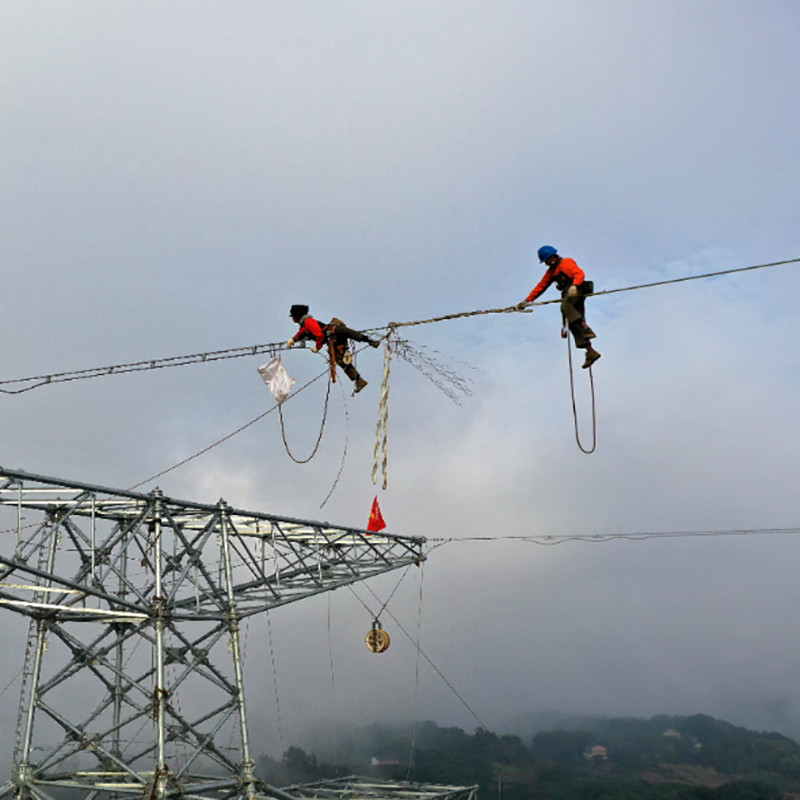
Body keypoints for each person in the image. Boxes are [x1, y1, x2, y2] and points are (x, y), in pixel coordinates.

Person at [519, 246, 601, 368]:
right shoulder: (551, 272)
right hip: (570, 292)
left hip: (577, 288)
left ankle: (586, 328)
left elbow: (579, 273)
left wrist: (574, 286)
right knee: (572, 322)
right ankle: (590, 351)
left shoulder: (566, 263)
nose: (546, 264)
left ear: (552, 258)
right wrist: (527, 300)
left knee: (565, 307)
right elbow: (541, 286)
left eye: (546, 261)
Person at [287, 305, 380, 392]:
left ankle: (369, 341)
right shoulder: (305, 325)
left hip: (334, 335)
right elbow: (302, 333)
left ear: (297, 316)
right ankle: (358, 380)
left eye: (293, 316)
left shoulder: (308, 322)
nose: (292, 319)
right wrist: (294, 339)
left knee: (347, 334)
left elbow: (319, 334)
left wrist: (317, 347)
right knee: (341, 360)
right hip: (333, 339)